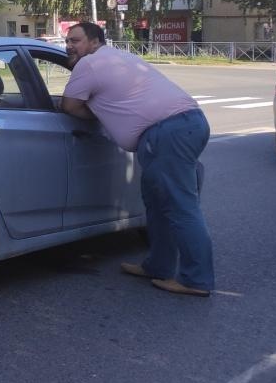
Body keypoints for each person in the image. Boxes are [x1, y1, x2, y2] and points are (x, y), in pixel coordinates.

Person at [61, 21, 214, 297]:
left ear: (94, 42)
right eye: (68, 40)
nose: (69, 45)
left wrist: (99, 115)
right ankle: (158, 265)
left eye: (76, 40)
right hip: (187, 124)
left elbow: (69, 106)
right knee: (157, 204)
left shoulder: (90, 63)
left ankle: (196, 280)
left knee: (180, 207)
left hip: (166, 133)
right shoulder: (121, 56)